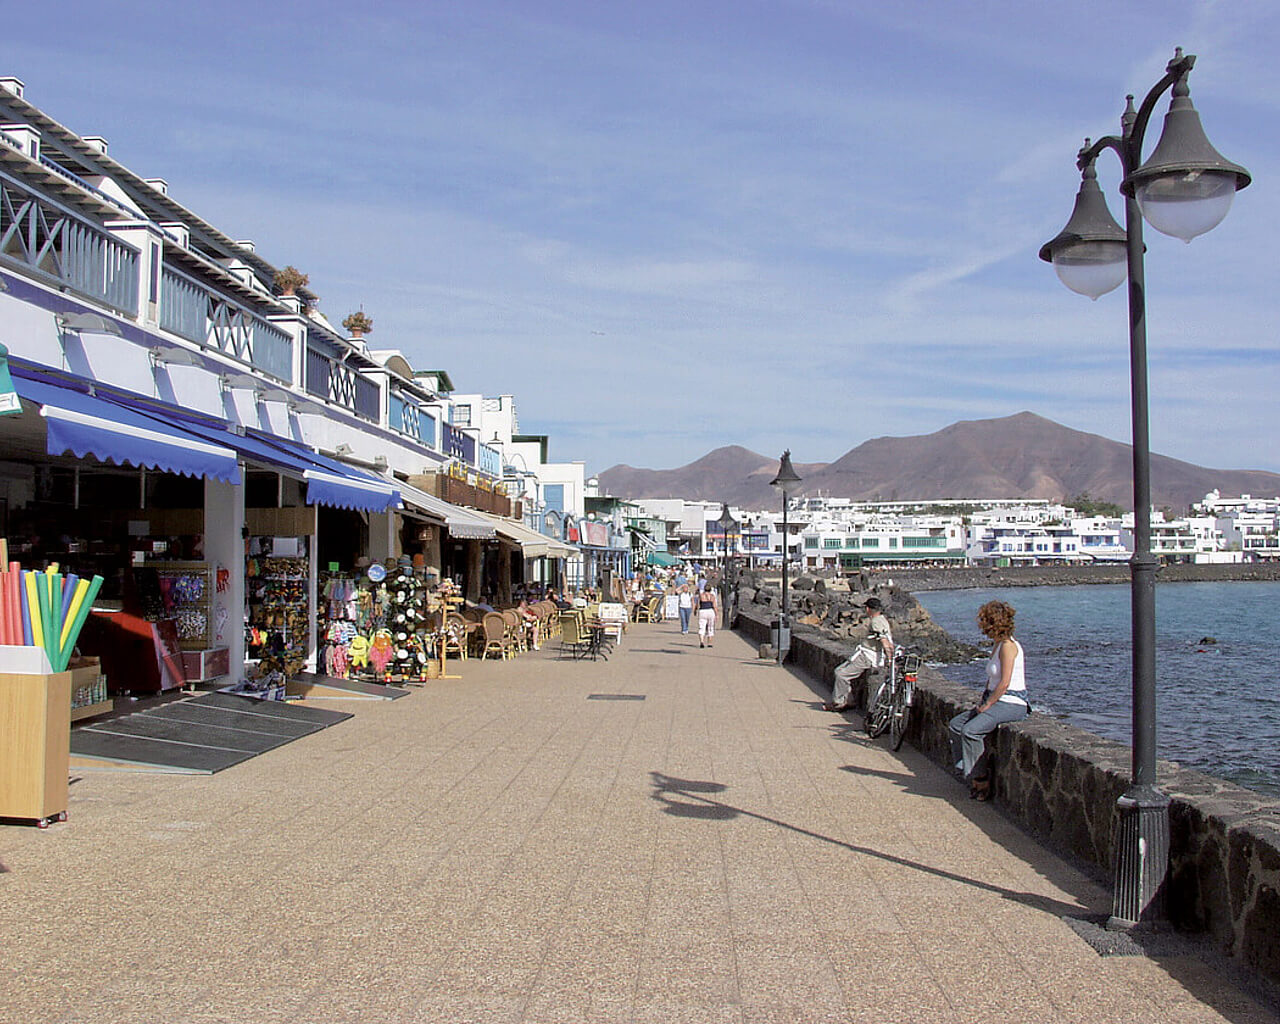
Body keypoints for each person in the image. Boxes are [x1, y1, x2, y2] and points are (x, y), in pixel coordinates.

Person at [948, 600, 1030, 801]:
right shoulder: (997, 644)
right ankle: (967, 768)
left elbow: (1004, 683)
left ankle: (981, 778)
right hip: (996, 700)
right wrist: (983, 701)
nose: (982, 626)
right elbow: (991, 681)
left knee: (971, 731)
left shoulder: (1008, 646)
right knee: (956, 725)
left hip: (1012, 703)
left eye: (984, 622)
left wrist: (988, 705)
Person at [824, 597, 893, 713]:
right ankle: (848, 700)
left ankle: (839, 703)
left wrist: (890, 660)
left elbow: (884, 641)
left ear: (868, 609)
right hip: (870, 655)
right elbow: (888, 641)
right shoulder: (882, 620)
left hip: (867, 656)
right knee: (839, 670)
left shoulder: (876, 622)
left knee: (841, 674)